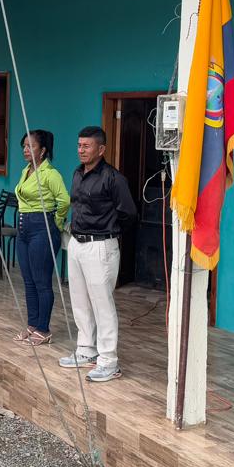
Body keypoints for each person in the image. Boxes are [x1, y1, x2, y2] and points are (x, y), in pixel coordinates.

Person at [60, 126, 137, 382]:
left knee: (102, 304)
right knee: (79, 300)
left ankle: (109, 361)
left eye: (87, 146)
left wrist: (109, 230)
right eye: (79, 145)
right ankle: (86, 349)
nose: (81, 150)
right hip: (77, 243)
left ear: (101, 149)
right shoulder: (77, 173)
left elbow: (129, 214)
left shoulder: (114, 179)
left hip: (100, 245)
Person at [11, 130, 70, 347]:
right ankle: (32, 324)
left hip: (42, 228)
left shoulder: (50, 174)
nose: (25, 150)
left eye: (31, 146)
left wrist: (57, 221)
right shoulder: (26, 170)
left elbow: (64, 200)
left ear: (43, 150)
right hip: (23, 228)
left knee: (42, 281)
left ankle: (43, 329)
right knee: (28, 281)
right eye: (24, 146)